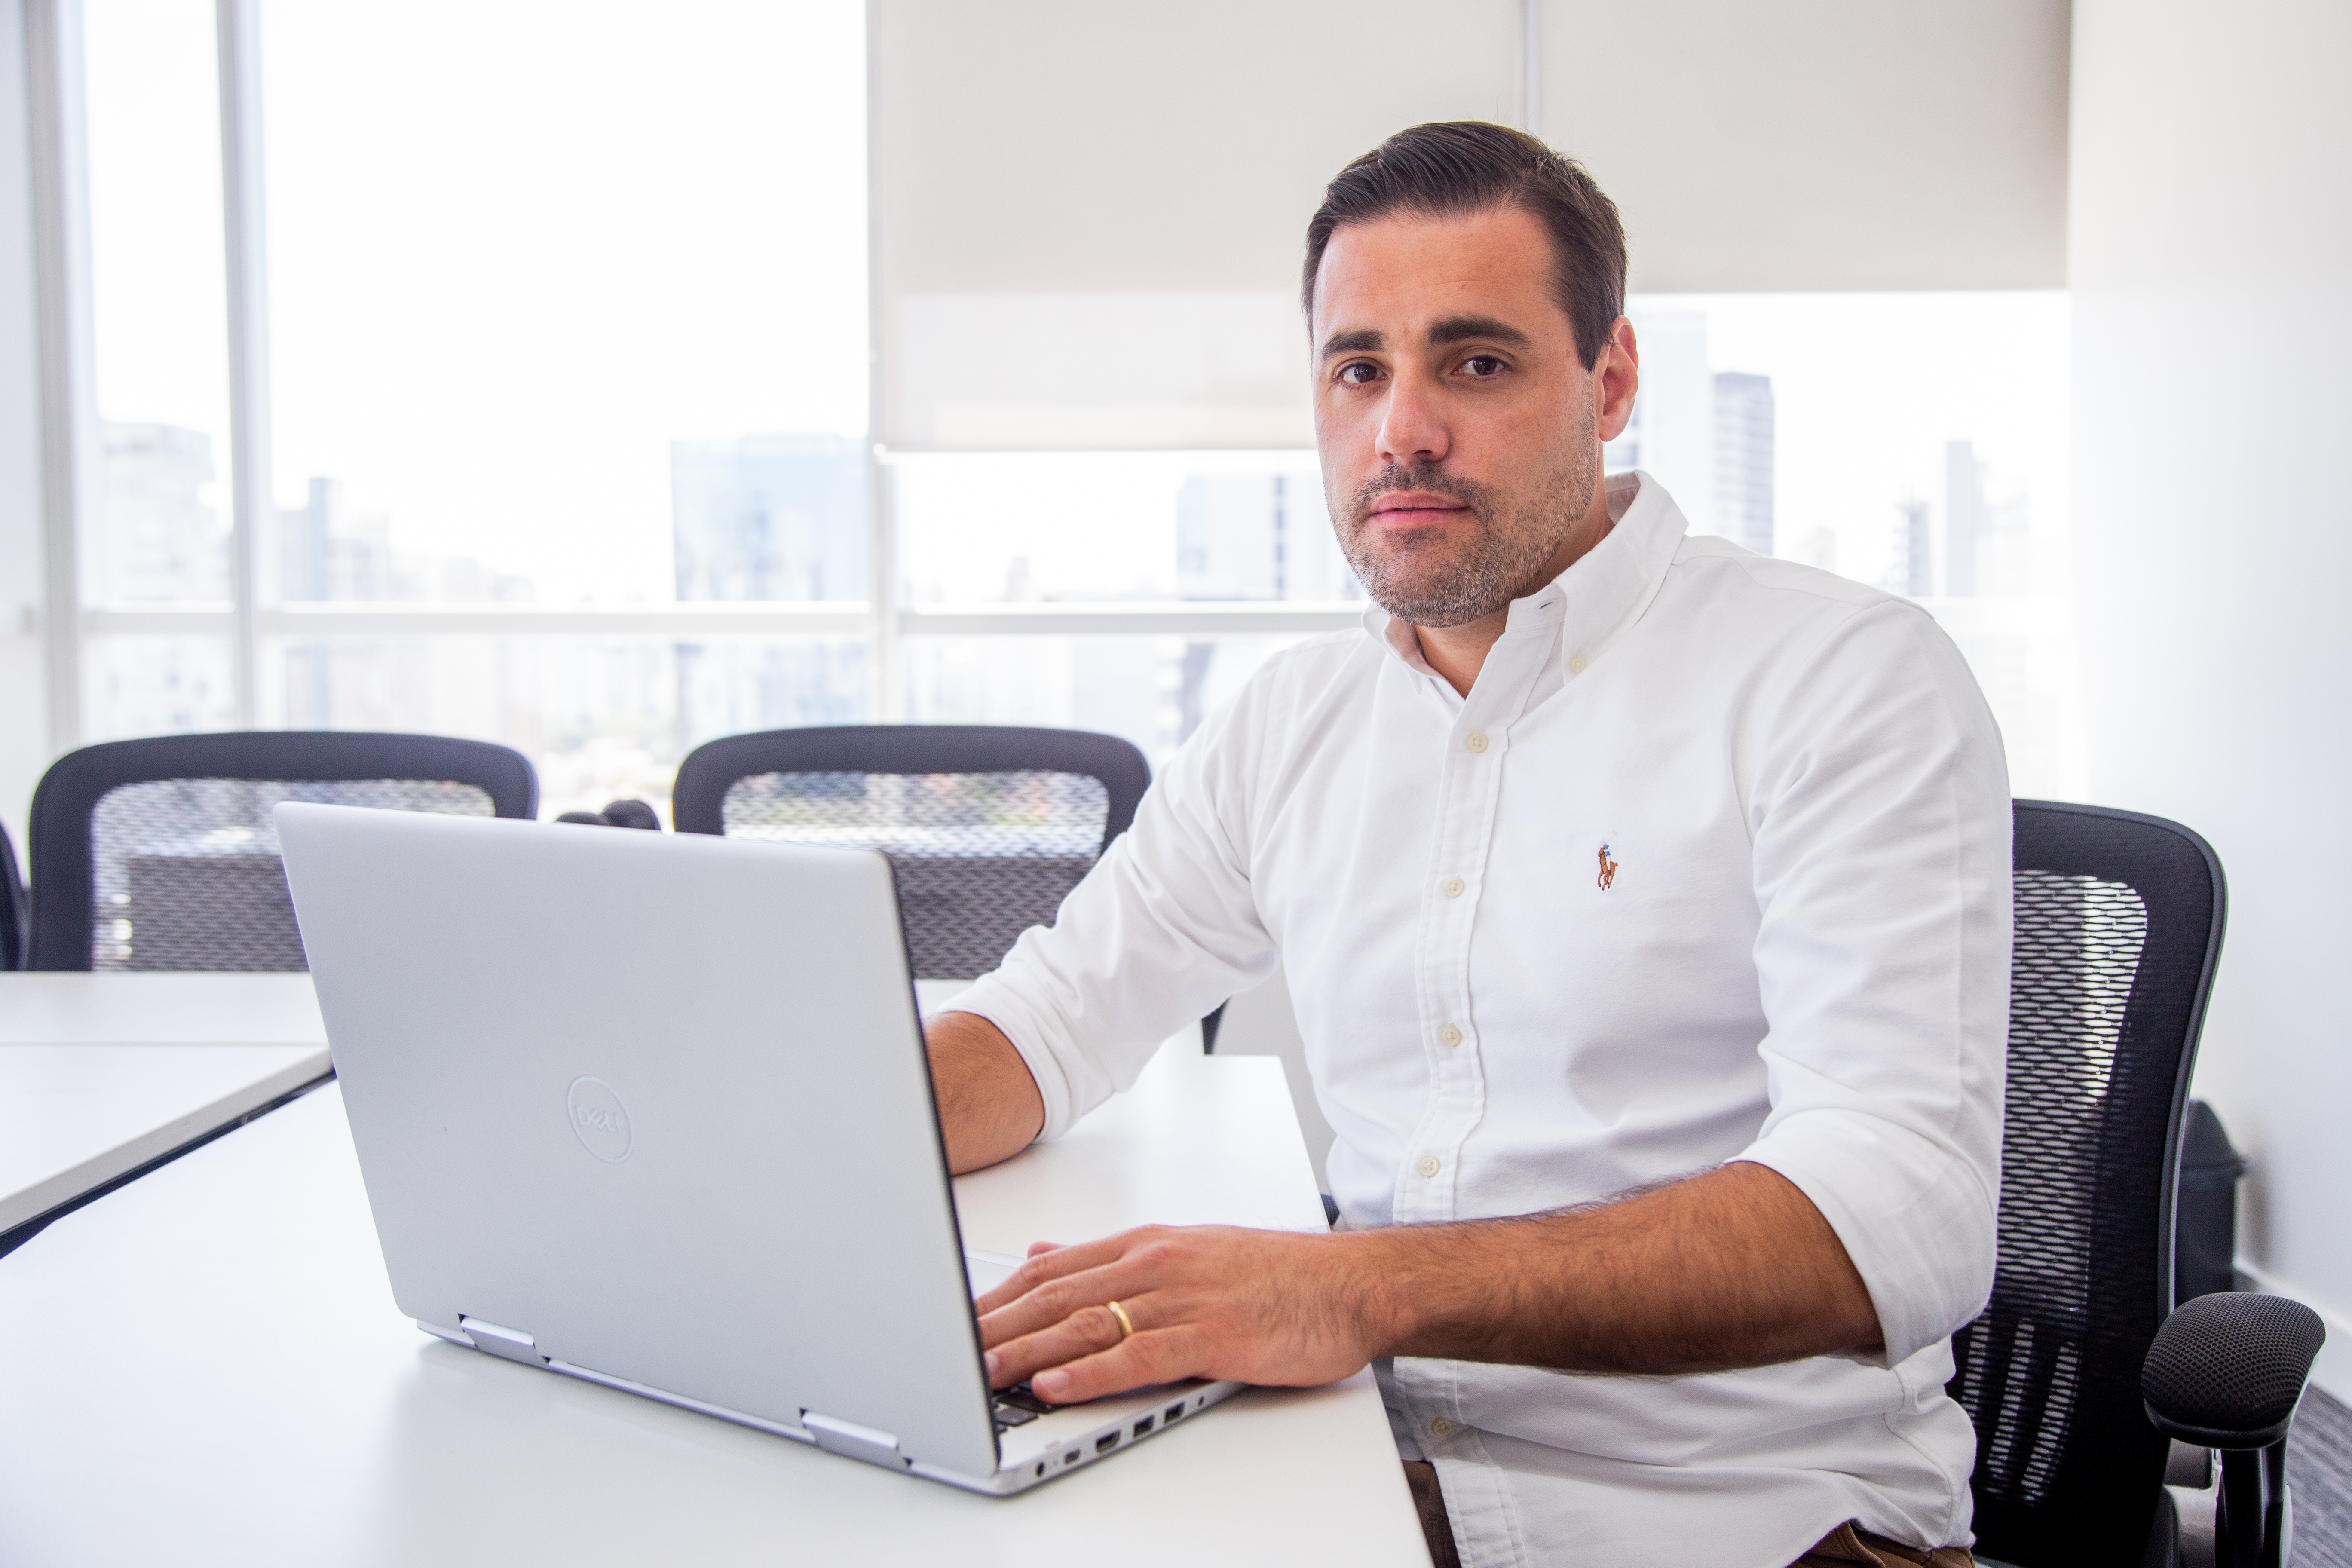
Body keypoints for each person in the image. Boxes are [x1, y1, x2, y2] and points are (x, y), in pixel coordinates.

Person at [928, 122, 2009, 1568]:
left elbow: (1900, 1214)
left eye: (1477, 363)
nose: (1403, 431)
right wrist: (796, 1141)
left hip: (1742, 1519)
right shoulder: (1295, 718)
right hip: (1361, 1474)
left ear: (1610, 381)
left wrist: (1355, 1289)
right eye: (1358, 370)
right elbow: (1051, 1020)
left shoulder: (1838, 676)